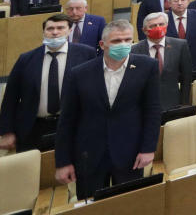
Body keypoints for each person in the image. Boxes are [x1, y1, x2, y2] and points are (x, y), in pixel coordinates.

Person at [54, 19, 161, 199]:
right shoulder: (79, 73)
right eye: (117, 41)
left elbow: (152, 110)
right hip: (90, 154)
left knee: (130, 205)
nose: (124, 45)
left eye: (128, 40)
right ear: (103, 44)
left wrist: (149, 148)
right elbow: (67, 120)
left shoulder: (147, 66)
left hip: (131, 153)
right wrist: (63, 162)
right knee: (91, 211)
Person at [0, 14, 97, 152]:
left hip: (73, 124)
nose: (55, 32)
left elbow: (95, 91)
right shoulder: (26, 59)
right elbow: (10, 98)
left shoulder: (86, 54)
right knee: (33, 170)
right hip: (33, 128)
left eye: (60, 28)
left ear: (69, 30)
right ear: (44, 32)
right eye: (50, 28)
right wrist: (7, 131)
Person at [132, 12, 192, 111]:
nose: (158, 28)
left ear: (167, 26)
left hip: (173, 104)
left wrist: (184, 103)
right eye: (153, 26)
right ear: (144, 30)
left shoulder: (180, 45)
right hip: (145, 105)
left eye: (161, 24)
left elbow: (186, 77)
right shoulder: (134, 50)